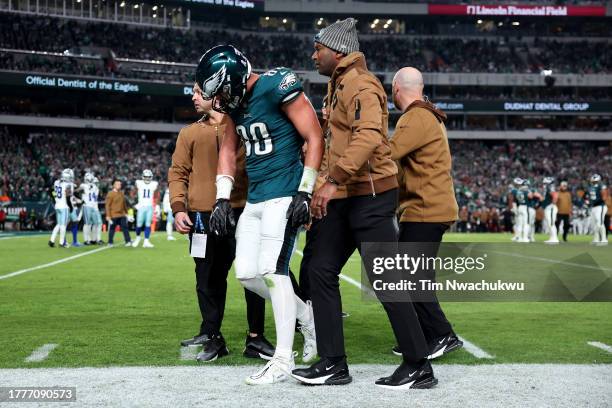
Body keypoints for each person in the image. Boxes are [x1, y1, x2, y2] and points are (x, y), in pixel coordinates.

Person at [291, 19, 436, 390]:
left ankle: (418, 365)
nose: (314, 54)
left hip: (369, 195)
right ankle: (333, 363)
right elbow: (339, 143)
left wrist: (333, 180)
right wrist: (324, 185)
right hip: (345, 195)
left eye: (318, 48)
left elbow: (370, 135)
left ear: (336, 50)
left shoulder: (360, 83)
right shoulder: (339, 83)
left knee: (387, 280)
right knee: (319, 269)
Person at [202, 45, 321, 384]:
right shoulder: (235, 106)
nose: (221, 98)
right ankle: (307, 317)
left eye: (223, 88)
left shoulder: (276, 84)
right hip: (254, 198)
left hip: (284, 192)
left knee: (273, 270)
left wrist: (306, 189)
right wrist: (223, 198)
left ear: (236, 77)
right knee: (247, 274)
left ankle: (283, 359)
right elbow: (227, 148)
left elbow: (314, 135)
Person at [168, 80, 275, 363]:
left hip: (243, 210)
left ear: (216, 95)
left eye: (197, 92)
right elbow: (177, 172)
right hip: (202, 216)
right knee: (207, 279)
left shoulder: (242, 126)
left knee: (252, 275)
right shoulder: (188, 133)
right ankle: (213, 337)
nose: (192, 97)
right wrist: (179, 208)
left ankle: (256, 338)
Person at [387, 66, 462, 362]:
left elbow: (387, 154)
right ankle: (421, 336)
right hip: (428, 207)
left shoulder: (415, 117)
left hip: (424, 209)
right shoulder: (427, 116)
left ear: (396, 88)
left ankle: (442, 334)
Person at [132, 169, 158, 248]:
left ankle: (146, 241)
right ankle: (138, 238)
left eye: (149, 177)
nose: (147, 178)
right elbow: (133, 192)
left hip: (149, 206)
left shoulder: (154, 184)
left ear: (151, 177)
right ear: (143, 177)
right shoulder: (138, 183)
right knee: (139, 223)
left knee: (148, 224)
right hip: (141, 206)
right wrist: (135, 202)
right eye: (146, 177)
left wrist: (156, 205)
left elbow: (156, 195)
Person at [48, 168, 74, 248]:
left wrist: (55, 199)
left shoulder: (56, 182)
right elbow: (67, 197)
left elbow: (51, 191)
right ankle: (62, 242)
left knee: (59, 224)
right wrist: (70, 206)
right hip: (64, 206)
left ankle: (52, 240)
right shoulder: (67, 184)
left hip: (58, 206)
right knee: (63, 225)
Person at [104, 179, 132, 247]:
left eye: (120, 184)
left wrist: (126, 213)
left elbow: (124, 204)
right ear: (114, 185)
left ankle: (128, 241)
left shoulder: (121, 193)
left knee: (125, 227)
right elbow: (107, 205)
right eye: (118, 184)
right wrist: (108, 215)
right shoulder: (110, 194)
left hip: (122, 214)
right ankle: (110, 242)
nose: (119, 185)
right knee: (112, 228)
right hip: (113, 214)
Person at [79, 172, 102, 245]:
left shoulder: (94, 187)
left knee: (95, 224)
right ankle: (87, 240)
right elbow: (81, 189)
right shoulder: (85, 185)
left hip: (92, 206)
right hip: (87, 206)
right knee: (87, 223)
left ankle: (93, 239)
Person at [586, 174, 608, 245]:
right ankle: (596, 239)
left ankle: (604, 240)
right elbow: (588, 197)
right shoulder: (590, 187)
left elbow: (604, 197)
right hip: (593, 207)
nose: (594, 182)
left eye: (596, 181)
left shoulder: (601, 186)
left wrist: (598, 201)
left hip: (600, 206)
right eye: (593, 181)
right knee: (594, 224)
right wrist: (589, 202)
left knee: (600, 223)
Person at [541, 177, 559, 244]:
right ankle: (552, 237)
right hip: (548, 207)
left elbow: (555, 195)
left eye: (545, 183)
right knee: (549, 223)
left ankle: (555, 238)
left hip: (551, 207)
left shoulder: (550, 187)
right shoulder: (547, 188)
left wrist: (552, 204)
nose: (544, 184)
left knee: (551, 223)